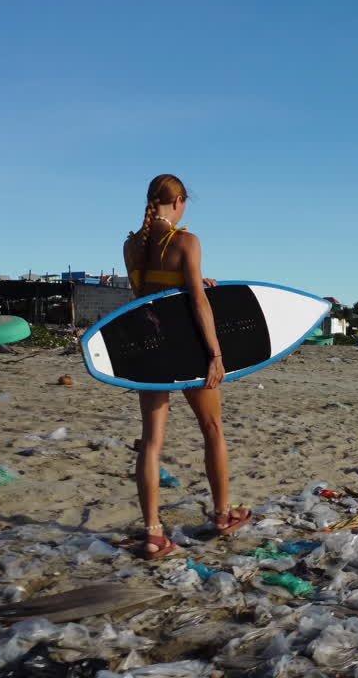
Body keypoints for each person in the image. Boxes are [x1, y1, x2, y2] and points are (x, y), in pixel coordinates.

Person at [119, 174, 250, 559]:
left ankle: (154, 534)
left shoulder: (131, 245)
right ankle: (223, 515)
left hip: (151, 348)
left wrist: (187, 284)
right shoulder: (187, 242)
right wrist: (215, 354)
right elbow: (198, 304)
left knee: (152, 441)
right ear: (178, 202)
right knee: (212, 429)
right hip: (189, 349)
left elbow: (147, 298)